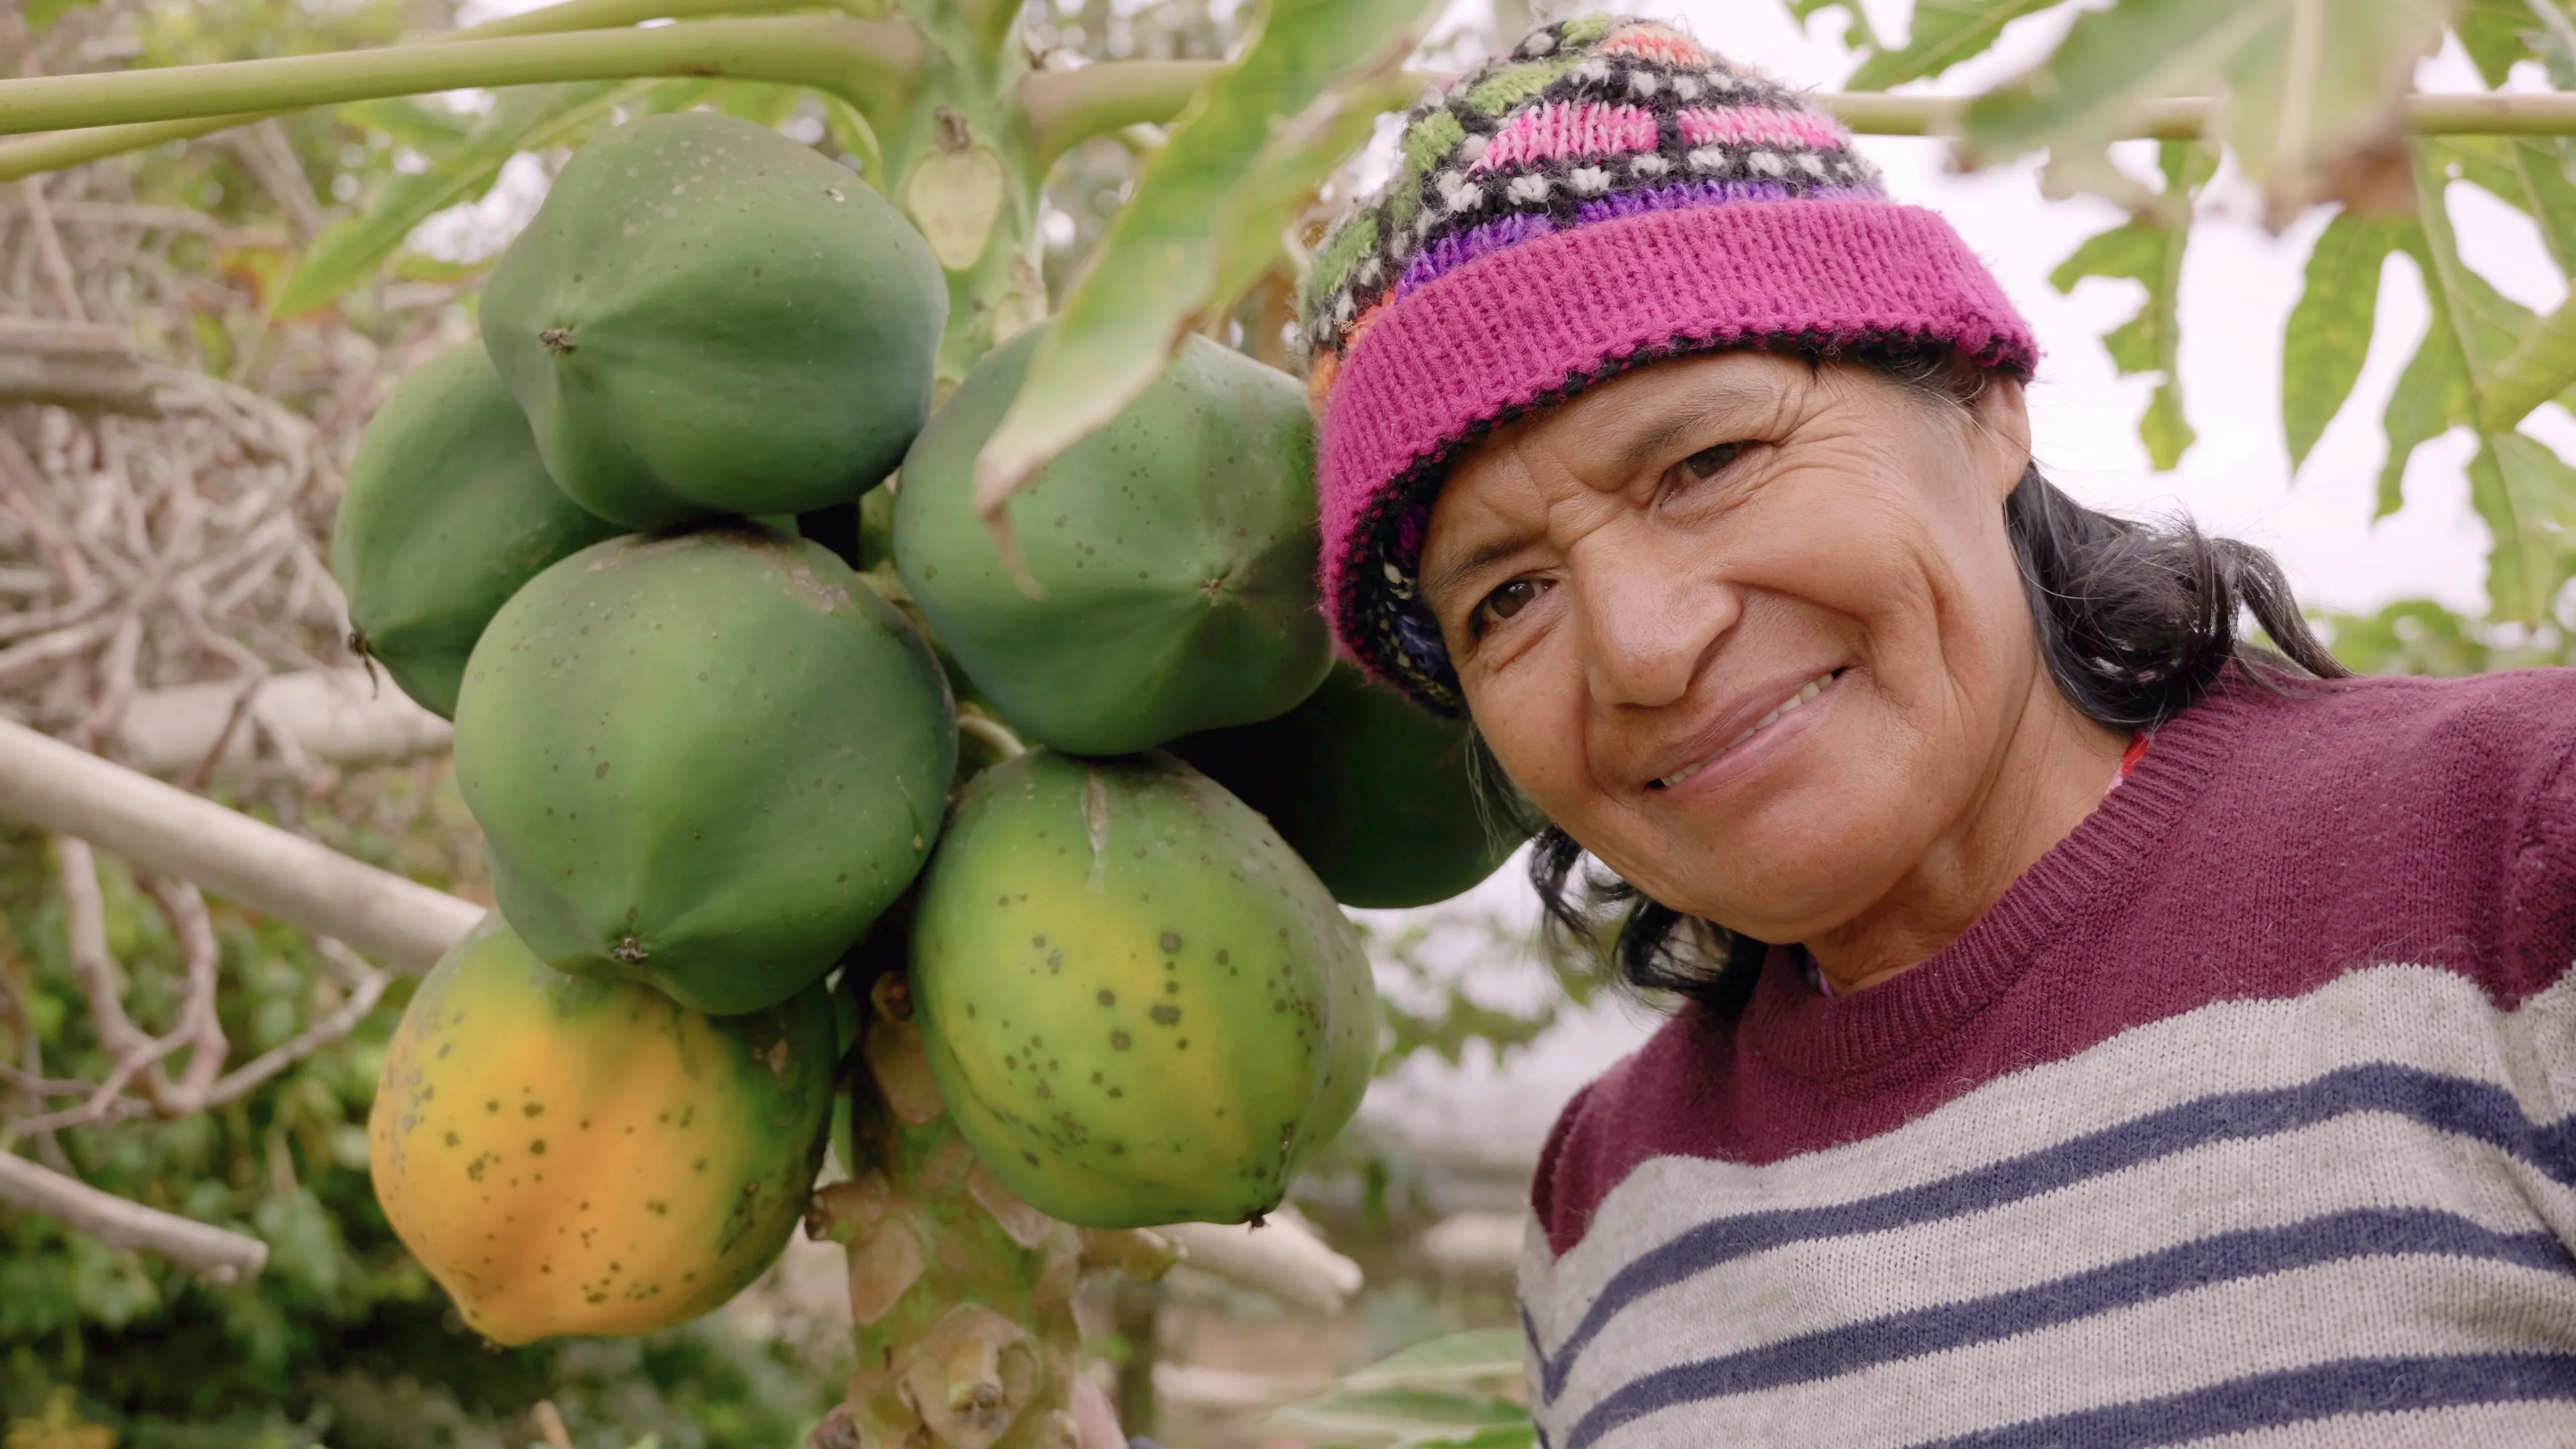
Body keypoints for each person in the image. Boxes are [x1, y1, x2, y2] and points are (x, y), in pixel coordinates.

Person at [1296, 15, 2576, 1446]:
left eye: (1708, 461)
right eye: (1509, 597)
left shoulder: (2522, 855)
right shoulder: (1607, 1206)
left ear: (1979, 404)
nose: (1645, 648)